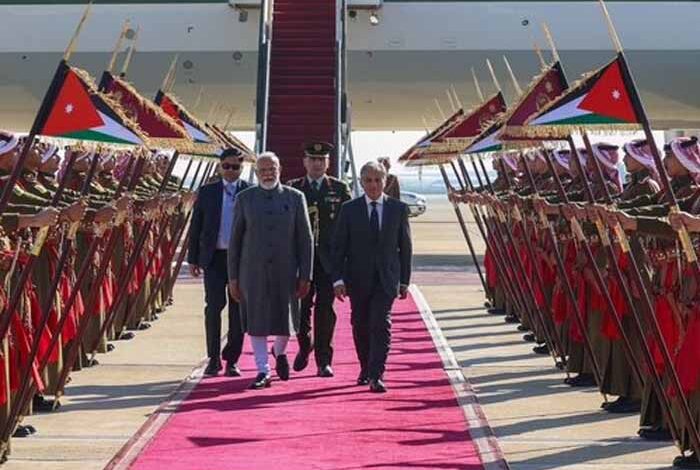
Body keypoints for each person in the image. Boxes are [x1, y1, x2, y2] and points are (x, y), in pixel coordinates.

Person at [228, 152, 313, 390]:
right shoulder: (245, 199)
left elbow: (305, 239)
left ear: (279, 170)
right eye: (263, 170)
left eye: (272, 169)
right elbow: (235, 241)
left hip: (286, 271)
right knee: (256, 322)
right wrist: (233, 278)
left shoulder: (295, 198)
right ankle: (263, 370)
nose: (268, 174)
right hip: (252, 272)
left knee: (285, 321)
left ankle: (279, 351)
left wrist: (306, 275)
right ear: (256, 173)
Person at [333, 161, 412, 393]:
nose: (373, 185)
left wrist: (404, 280)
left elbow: (405, 247)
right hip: (358, 278)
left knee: (380, 322)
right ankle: (366, 367)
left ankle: (377, 374)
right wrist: (338, 279)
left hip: (386, 279)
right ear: (361, 182)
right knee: (360, 323)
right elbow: (339, 247)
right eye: (368, 180)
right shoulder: (349, 209)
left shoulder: (398, 209)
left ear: (385, 181)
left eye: (378, 180)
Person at [287, 142, 352, 377]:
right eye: (313, 159)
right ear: (304, 162)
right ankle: (306, 345)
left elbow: (349, 226)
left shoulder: (339, 189)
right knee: (301, 310)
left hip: (329, 261)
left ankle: (324, 360)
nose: (317, 164)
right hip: (301, 260)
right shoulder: (293, 188)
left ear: (328, 163)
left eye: (321, 160)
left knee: (325, 310)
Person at [187, 147, 250, 377]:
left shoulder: (249, 192)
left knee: (238, 310)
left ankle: (232, 359)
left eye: (235, 167)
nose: (231, 171)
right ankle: (213, 358)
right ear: (220, 167)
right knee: (213, 307)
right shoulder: (207, 192)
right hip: (214, 258)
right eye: (226, 166)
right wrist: (193, 258)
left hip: (240, 259)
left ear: (242, 168)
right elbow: (196, 226)